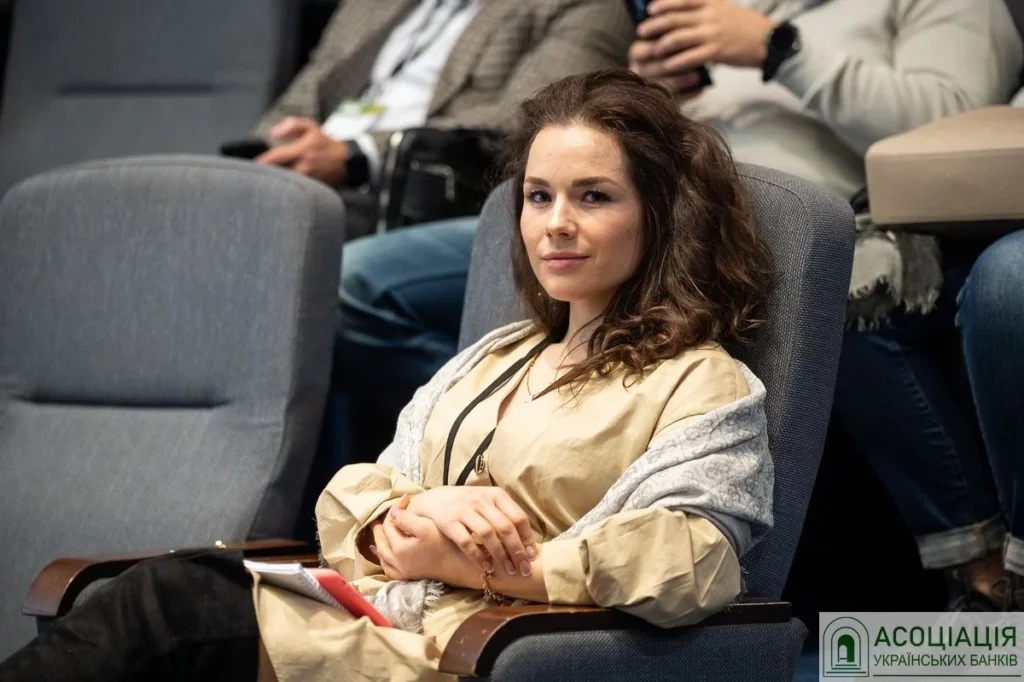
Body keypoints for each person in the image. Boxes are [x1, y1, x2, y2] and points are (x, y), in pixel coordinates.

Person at [0, 69, 775, 682]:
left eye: (593, 197)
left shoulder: (701, 382)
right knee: (168, 593)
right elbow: (359, 493)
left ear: (662, 216)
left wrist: (487, 565)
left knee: (168, 614)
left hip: (472, 651)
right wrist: (407, 514)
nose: (555, 224)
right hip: (367, 614)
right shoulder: (497, 355)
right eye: (538, 197)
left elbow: (693, 560)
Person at [335, 0, 1023, 461]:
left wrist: (780, 50)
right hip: (651, 201)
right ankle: (496, 444)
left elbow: (953, 125)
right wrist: (652, 95)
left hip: (790, 218)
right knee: (412, 265)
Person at [251, 0, 634, 240]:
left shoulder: (583, 7)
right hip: (308, 173)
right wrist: (274, 148)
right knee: (231, 205)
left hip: (416, 189)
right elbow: (306, 90)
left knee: (275, 234)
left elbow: (535, 123)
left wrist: (357, 156)